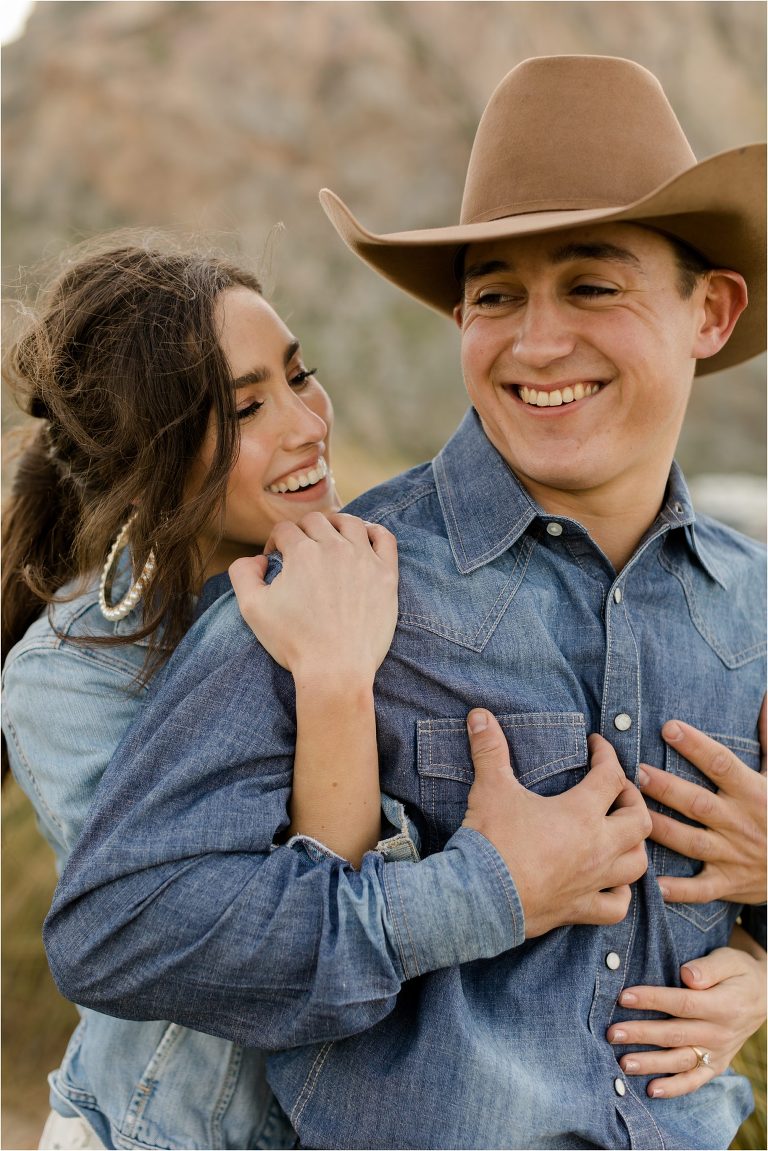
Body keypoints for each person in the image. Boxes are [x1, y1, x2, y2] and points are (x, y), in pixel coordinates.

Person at [42, 56, 766, 1150]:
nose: (536, 342)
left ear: (709, 311)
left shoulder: (753, 606)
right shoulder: (329, 590)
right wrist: (486, 891)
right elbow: (121, 930)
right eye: (494, 295)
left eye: (592, 284)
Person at [1, 238, 405, 1149]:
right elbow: (281, 936)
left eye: (302, 377)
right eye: (250, 406)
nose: (308, 423)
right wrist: (334, 680)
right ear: (151, 452)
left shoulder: (363, 579)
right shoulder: (68, 681)